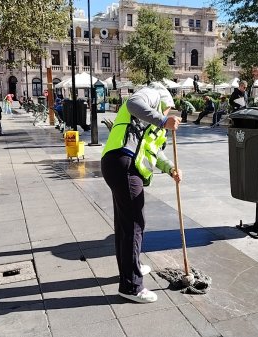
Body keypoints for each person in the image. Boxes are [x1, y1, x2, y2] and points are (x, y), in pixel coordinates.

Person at [101, 83, 181, 303]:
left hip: (119, 164)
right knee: (135, 223)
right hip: (123, 163)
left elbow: (154, 153)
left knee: (125, 223)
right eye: (168, 110)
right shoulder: (153, 94)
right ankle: (131, 286)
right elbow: (133, 103)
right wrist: (164, 120)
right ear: (166, 101)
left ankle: (131, 268)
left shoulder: (154, 126)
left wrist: (171, 168)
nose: (167, 114)